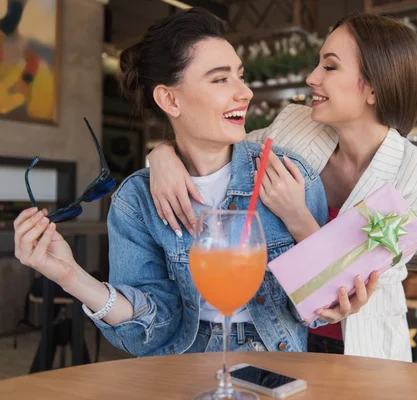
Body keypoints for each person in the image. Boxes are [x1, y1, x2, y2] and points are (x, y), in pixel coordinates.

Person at [13, 8, 379, 357]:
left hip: (275, 369)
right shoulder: (136, 201)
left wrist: (329, 301)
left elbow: (308, 309)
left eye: (240, 75)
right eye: (221, 79)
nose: (244, 92)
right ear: (169, 99)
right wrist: (70, 275)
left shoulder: (288, 177)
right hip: (179, 367)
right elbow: (150, 330)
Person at [147, 13, 417, 361]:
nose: (312, 77)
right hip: (283, 338)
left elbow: (352, 279)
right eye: (318, 63)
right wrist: (163, 153)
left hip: (362, 347)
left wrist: (297, 216)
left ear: (374, 87)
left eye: (330, 67)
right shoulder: (297, 125)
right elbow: (218, 149)